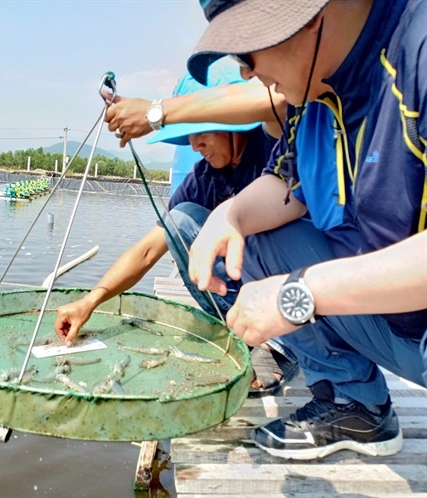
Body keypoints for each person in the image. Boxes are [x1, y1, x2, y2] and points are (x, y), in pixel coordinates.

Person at [184, 0, 426, 460]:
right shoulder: (314, 91)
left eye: (246, 54)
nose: (245, 75)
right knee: (252, 239)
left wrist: (299, 293)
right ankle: (357, 407)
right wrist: (228, 216)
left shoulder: (418, 51)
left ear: (307, 14)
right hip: (397, 322)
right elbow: (286, 182)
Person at [54, 58, 298, 397]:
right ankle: (244, 332)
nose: (195, 145)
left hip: (297, 278)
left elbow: (275, 99)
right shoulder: (203, 179)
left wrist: (155, 112)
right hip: (248, 283)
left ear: (233, 122)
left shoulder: (273, 139)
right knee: (178, 222)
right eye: (189, 135)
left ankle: (278, 344)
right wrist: (91, 301)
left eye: (202, 131)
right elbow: (147, 251)